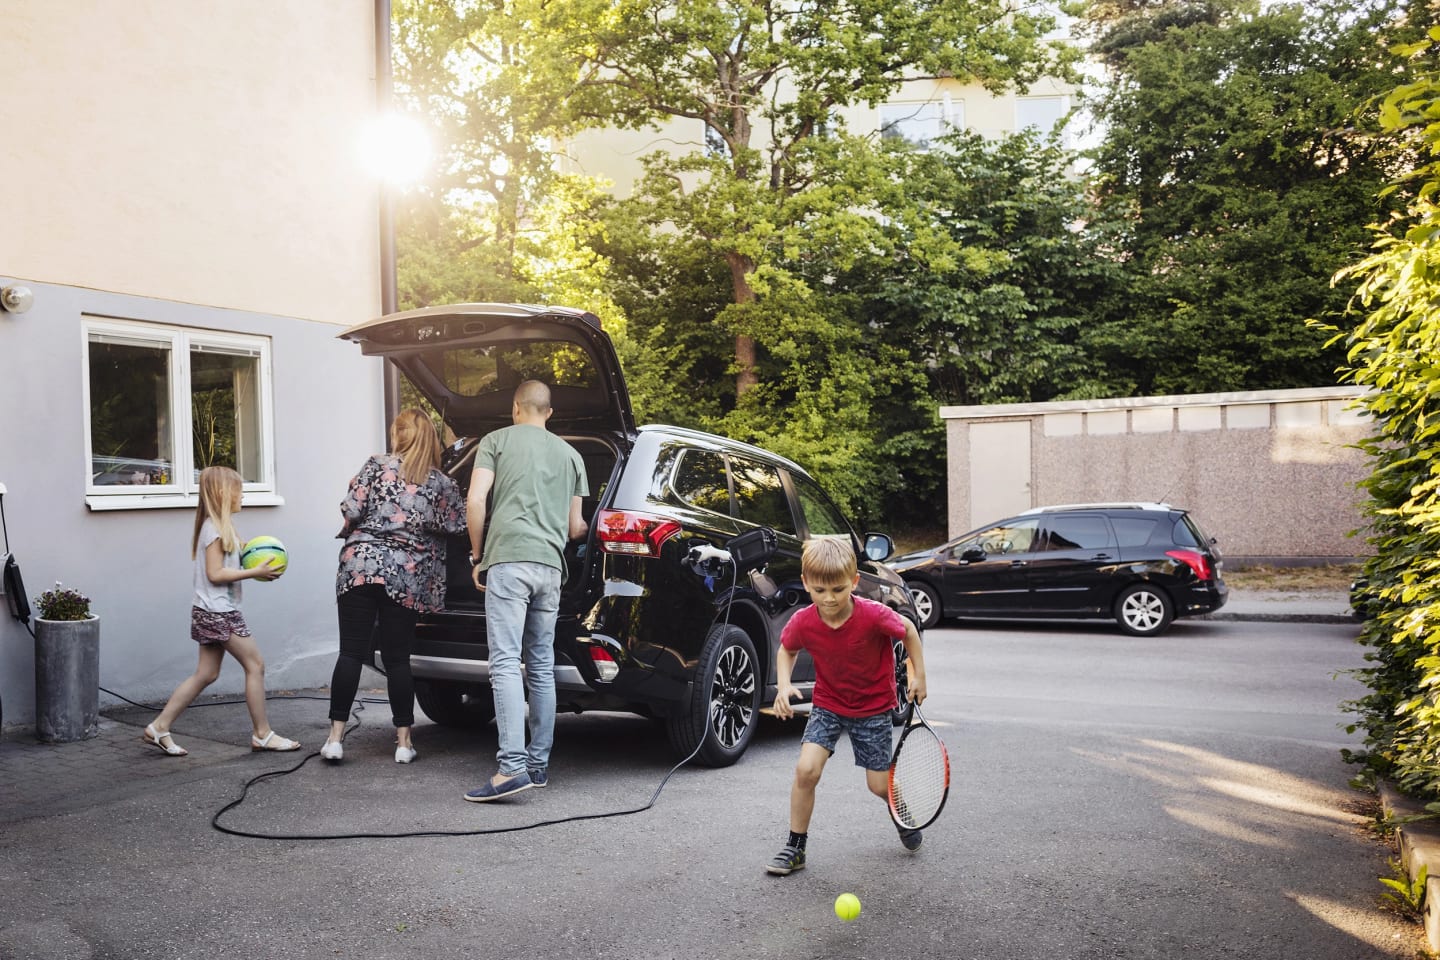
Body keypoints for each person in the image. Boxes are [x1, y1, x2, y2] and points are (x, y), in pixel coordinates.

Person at [765, 535, 928, 875]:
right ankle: (796, 847)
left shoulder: (873, 616)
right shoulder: (804, 621)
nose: (829, 599)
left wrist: (918, 674)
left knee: (878, 786)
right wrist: (782, 687)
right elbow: (786, 649)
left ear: (854, 582)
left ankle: (899, 811)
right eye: (820, 590)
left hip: (873, 708)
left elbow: (909, 631)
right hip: (828, 705)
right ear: (807, 582)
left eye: (838, 590)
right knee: (805, 771)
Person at [462, 380, 589, 802]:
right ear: (547, 412)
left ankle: (511, 769)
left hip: (509, 561)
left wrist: (478, 554)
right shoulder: (572, 456)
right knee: (540, 666)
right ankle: (537, 766)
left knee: (503, 663)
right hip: (550, 569)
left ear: (516, 408)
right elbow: (576, 528)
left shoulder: (496, 440)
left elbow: (475, 501)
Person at [323, 408, 466, 764]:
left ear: (397, 435)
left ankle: (335, 740)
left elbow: (351, 510)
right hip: (405, 574)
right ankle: (403, 744)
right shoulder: (441, 483)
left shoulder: (375, 465)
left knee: (351, 653)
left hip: (360, 566)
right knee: (397, 659)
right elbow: (457, 526)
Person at [142, 466, 299, 757]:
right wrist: (254, 572)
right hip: (219, 613)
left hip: (208, 610)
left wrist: (258, 559)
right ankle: (262, 734)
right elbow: (215, 573)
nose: (243, 495)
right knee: (255, 665)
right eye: (239, 490)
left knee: (206, 673)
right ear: (223, 493)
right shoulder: (213, 529)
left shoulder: (219, 526)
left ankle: (159, 727)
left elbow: (241, 555)